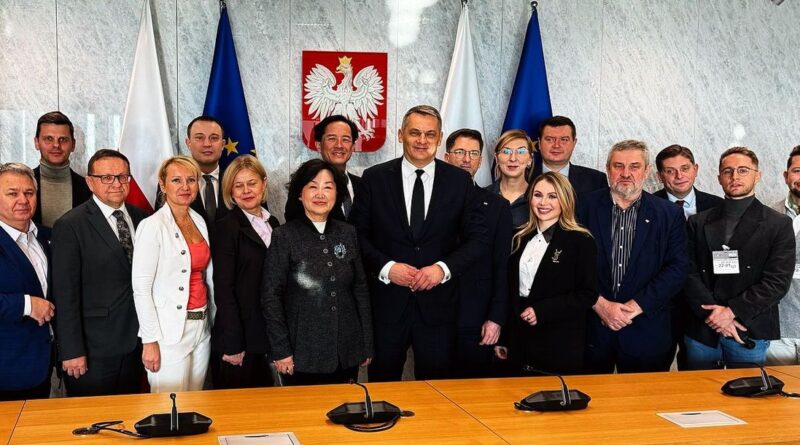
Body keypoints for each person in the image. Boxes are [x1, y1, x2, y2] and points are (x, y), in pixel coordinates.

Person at [350, 105, 486, 381]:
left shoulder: (460, 181)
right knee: (382, 387)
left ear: (439, 138)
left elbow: (477, 239)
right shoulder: (375, 178)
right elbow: (356, 235)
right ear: (401, 134)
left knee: (436, 394)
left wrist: (442, 269)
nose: (422, 140)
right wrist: (387, 268)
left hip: (439, 308)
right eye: (414, 133)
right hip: (387, 307)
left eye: (429, 134)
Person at [577, 139, 688, 373]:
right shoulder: (582, 207)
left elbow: (677, 269)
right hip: (591, 329)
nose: (625, 173)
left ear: (647, 171)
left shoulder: (669, 214)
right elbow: (569, 263)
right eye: (618, 166)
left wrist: (635, 306)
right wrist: (600, 304)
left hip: (646, 331)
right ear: (608, 169)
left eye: (634, 166)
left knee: (644, 405)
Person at [262, 159, 372, 385]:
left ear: (337, 194)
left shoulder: (348, 233)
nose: (320, 194)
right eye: (313, 186)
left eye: (328, 187)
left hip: (346, 349)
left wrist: (366, 343)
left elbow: (360, 288)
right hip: (301, 352)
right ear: (300, 194)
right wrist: (281, 350)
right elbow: (270, 297)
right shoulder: (285, 236)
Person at [684, 147, 794, 369]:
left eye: (743, 170)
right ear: (719, 178)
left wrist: (731, 312)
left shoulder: (778, 224)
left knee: (747, 399)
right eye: (728, 171)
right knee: (698, 396)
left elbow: (777, 282)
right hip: (703, 326)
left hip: (748, 327)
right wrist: (716, 315)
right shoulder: (698, 222)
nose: (735, 177)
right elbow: (687, 271)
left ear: (758, 174)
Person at [51, 150, 147, 397]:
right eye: (106, 177)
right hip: (93, 349)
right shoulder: (70, 225)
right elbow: (64, 294)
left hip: (137, 343)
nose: (116, 183)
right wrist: (71, 350)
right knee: (92, 423)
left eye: (122, 176)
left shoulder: (143, 218)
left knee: (131, 417)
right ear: (90, 181)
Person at [132, 156, 215, 392]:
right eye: (176, 180)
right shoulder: (152, 226)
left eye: (191, 180)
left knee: (196, 401)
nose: (185, 187)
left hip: (202, 325)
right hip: (169, 332)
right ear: (162, 184)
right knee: (169, 406)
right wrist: (149, 340)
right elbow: (141, 289)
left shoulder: (198, 219)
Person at [501, 172, 597, 375]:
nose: (543, 202)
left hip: (559, 340)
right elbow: (509, 292)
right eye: (538, 195)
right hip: (520, 339)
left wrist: (542, 311)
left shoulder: (580, 240)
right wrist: (505, 338)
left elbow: (587, 294)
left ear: (565, 200)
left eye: (552, 196)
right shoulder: (519, 237)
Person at [444, 129, 512, 378]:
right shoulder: (428, 201)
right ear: (447, 156)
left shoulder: (497, 206)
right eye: (460, 152)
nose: (466, 159)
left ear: (481, 160)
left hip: (477, 318)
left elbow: (502, 266)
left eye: (474, 153)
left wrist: (496, 318)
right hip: (433, 317)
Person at [210, 155, 279, 389]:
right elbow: (224, 288)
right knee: (239, 412)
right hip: (241, 338)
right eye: (238, 185)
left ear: (264, 183)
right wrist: (233, 342)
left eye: (252, 183)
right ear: (230, 191)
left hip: (271, 333)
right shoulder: (225, 227)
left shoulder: (275, 224)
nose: (246, 190)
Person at [654, 144, 723, 369]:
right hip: (661, 307)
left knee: (699, 374)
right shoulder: (647, 206)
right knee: (656, 370)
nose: (679, 176)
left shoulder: (718, 206)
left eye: (685, 168)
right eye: (670, 171)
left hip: (704, 306)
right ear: (660, 175)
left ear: (695, 169)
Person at [0, 163, 55, 401]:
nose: (22, 200)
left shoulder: (48, 236)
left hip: (45, 365)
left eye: (29, 193)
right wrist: (27, 305)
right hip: (7, 370)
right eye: (12, 193)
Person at [158, 116, 228, 227]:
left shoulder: (236, 181)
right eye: (199, 138)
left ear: (223, 144)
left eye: (214, 138)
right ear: (188, 143)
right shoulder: (171, 183)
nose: (207, 144)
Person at [767, 145, 800, 365]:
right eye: (797, 170)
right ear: (786, 175)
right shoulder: (768, 215)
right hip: (777, 328)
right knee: (778, 396)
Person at [32, 111, 91, 227]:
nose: (56, 145)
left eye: (63, 139)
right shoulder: (22, 186)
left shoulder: (89, 189)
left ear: (73, 145)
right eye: (49, 139)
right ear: (37, 143)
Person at [529, 116, 607, 195]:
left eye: (564, 140)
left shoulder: (596, 180)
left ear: (574, 143)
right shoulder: (525, 177)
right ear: (539, 143)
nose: (556, 145)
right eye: (549, 139)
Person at [313, 115, 362, 221]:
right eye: (332, 139)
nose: (339, 145)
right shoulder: (305, 185)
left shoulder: (364, 185)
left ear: (353, 147)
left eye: (345, 139)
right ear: (318, 145)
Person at [485, 129, 534, 228]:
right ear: (497, 158)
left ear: (530, 159)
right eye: (506, 151)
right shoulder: (481, 196)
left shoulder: (539, 199)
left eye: (521, 151)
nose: (513, 158)